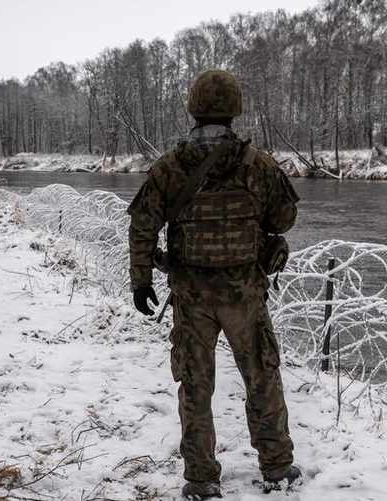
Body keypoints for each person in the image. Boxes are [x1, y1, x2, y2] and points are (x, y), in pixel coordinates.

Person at [126, 70, 301, 499]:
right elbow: (283, 219)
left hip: (191, 294)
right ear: (235, 110)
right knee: (262, 375)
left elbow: (143, 225)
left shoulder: (170, 165)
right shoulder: (257, 163)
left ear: (193, 107)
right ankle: (276, 467)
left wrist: (141, 280)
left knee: (195, 383)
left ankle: (201, 479)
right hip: (244, 292)